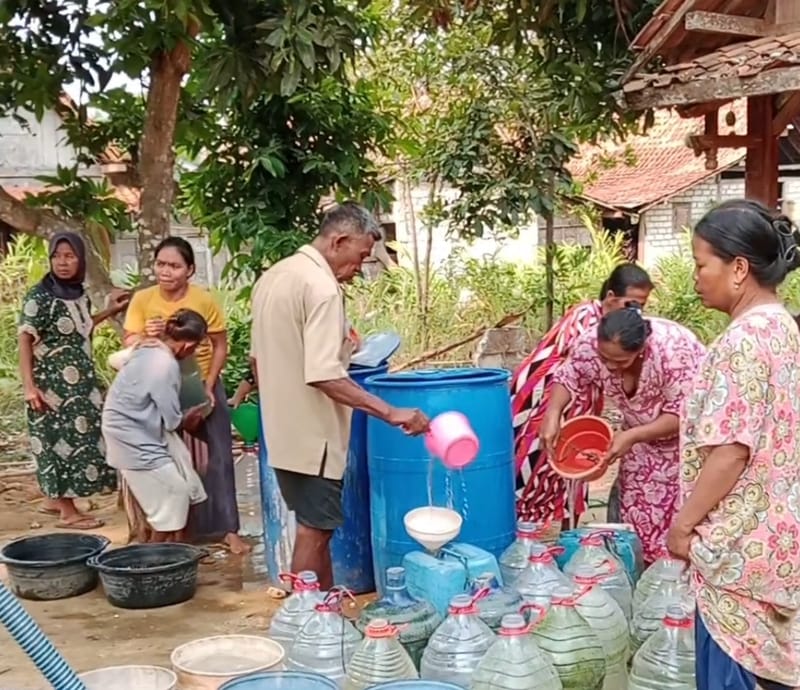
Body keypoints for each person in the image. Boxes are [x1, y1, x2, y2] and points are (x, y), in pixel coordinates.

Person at [251, 201, 430, 589]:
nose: (359, 268)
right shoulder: (321, 287)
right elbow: (323, 374)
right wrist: (390, 411)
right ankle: (311, 622)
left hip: (283, 431)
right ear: (340, 240)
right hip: (313, 436)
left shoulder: (276, 276)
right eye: (361, 256)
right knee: (315, 533)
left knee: (314, 527)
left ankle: (326, 614)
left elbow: (259, 360)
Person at [666, 199, 800, 690]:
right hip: (778, 543)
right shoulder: (785, 328)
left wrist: (682, 528)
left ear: (739, 267)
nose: (696, 277)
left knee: (733, 672)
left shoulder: (742, 342)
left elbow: (730, 452)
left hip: (736, 552)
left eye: (702, 264)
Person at [541, 305, 705, 565]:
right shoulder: (590, 345)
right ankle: (641, 575)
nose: (608, 366)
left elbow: (681, 416)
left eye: (619, 362)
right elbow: (569, 376)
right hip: (640, 441)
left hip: (686, 446)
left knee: (681, 521)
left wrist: (631, 437)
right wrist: (553, 414)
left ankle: (675, 584)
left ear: (641, 350)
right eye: (604, 358)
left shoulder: (674, 352)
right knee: (636, 517)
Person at [123, 237, 249, 554]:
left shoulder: (203, 300)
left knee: (220, 456)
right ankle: (168, 533)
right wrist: (145, 336)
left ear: (190, 269)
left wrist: (210, 383)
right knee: (163, 459)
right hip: (157, 387)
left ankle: (228, 529)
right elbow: (128, 343)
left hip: (200, 383)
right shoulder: (142, 299)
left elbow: (220, 344)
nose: (166, 272)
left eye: (175, 266)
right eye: (161, 264)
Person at [511, 263, 654, 527]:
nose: (636, 313)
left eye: (640, 307)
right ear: (610, 298)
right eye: (630, 305)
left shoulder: (613, 328)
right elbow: (570, 371)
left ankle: (563, 538)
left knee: (568, 470)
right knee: (532, 468)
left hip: (575, 407)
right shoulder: (587, 322)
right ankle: (524, 533)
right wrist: (553, 414)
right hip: (543, 403)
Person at [18, 232, 128, 529]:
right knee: (57, 444)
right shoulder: (38, 296)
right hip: (51, 387)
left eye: (69, 256)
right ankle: (69, 513)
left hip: (80, 386)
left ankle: (55, 501)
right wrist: (30, 387)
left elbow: (82, 329)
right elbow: (25, 340)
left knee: (83, 440)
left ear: (80, 259)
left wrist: (110, 310)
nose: (63, 262)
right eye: (57, 256)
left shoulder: (77, 293)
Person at [103, 309, 210, 543]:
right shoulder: (165, 365)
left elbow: (115, 360)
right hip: (131, 438)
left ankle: (162, 553)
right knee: (175, 496)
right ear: (188, 345)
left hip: (127, 431)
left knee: (172, 499)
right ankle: (152, 558)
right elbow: (172, 421)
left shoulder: (147, 348)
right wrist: (190, 415)